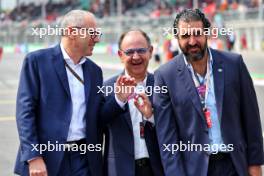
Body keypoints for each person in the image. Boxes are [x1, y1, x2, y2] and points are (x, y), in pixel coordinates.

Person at [14, 10, 135, 176]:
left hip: (84, 159)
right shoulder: (37, 62)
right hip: (47, 157)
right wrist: (33, 156)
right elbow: (25, 112)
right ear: (72, 32)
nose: (97, 39)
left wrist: (119, 99)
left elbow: (98, 117)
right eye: (93, 33)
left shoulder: (94, 71)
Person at [154, 9, 264, 176]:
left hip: (234, 165)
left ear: (207, 33)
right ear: (177, 39)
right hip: (194, 170)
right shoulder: (164, 76)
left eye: (197, 34)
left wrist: (255, 165)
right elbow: (167, 138)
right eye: (185, 36)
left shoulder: (234, 64)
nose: (192, 41)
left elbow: (251, 120)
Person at [103, 30, 164, 176]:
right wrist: (119, 101)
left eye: (141, 50)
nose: (136, 56)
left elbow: (174, 127)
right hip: (120, 170)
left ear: (150, 51)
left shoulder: (163, 85)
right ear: (120, 55)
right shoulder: (106, 88)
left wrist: (151, 117)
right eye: (130, 52)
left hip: (157, 168)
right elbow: (97, 123)